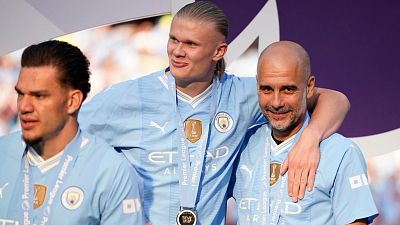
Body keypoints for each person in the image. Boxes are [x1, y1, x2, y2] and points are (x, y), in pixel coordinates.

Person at [79, 2, 350, 224]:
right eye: (173, 39)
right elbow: (63, 143)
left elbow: (335, 99)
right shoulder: (128, 96)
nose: (177, 51)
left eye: (191, 44)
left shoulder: (245, 95)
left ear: (218, 51)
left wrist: (309, 140)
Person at [230, 41, 378, 224]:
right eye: (267, 89)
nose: (276, 102)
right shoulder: (241, 144)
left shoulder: (342, 152)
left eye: (288, 89)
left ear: (309, 87)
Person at [0, 40, 145, 225]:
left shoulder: (110, 170)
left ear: (72, 101)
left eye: (39, 96)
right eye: (21, 94)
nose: (24, 106)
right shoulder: (2, 153)